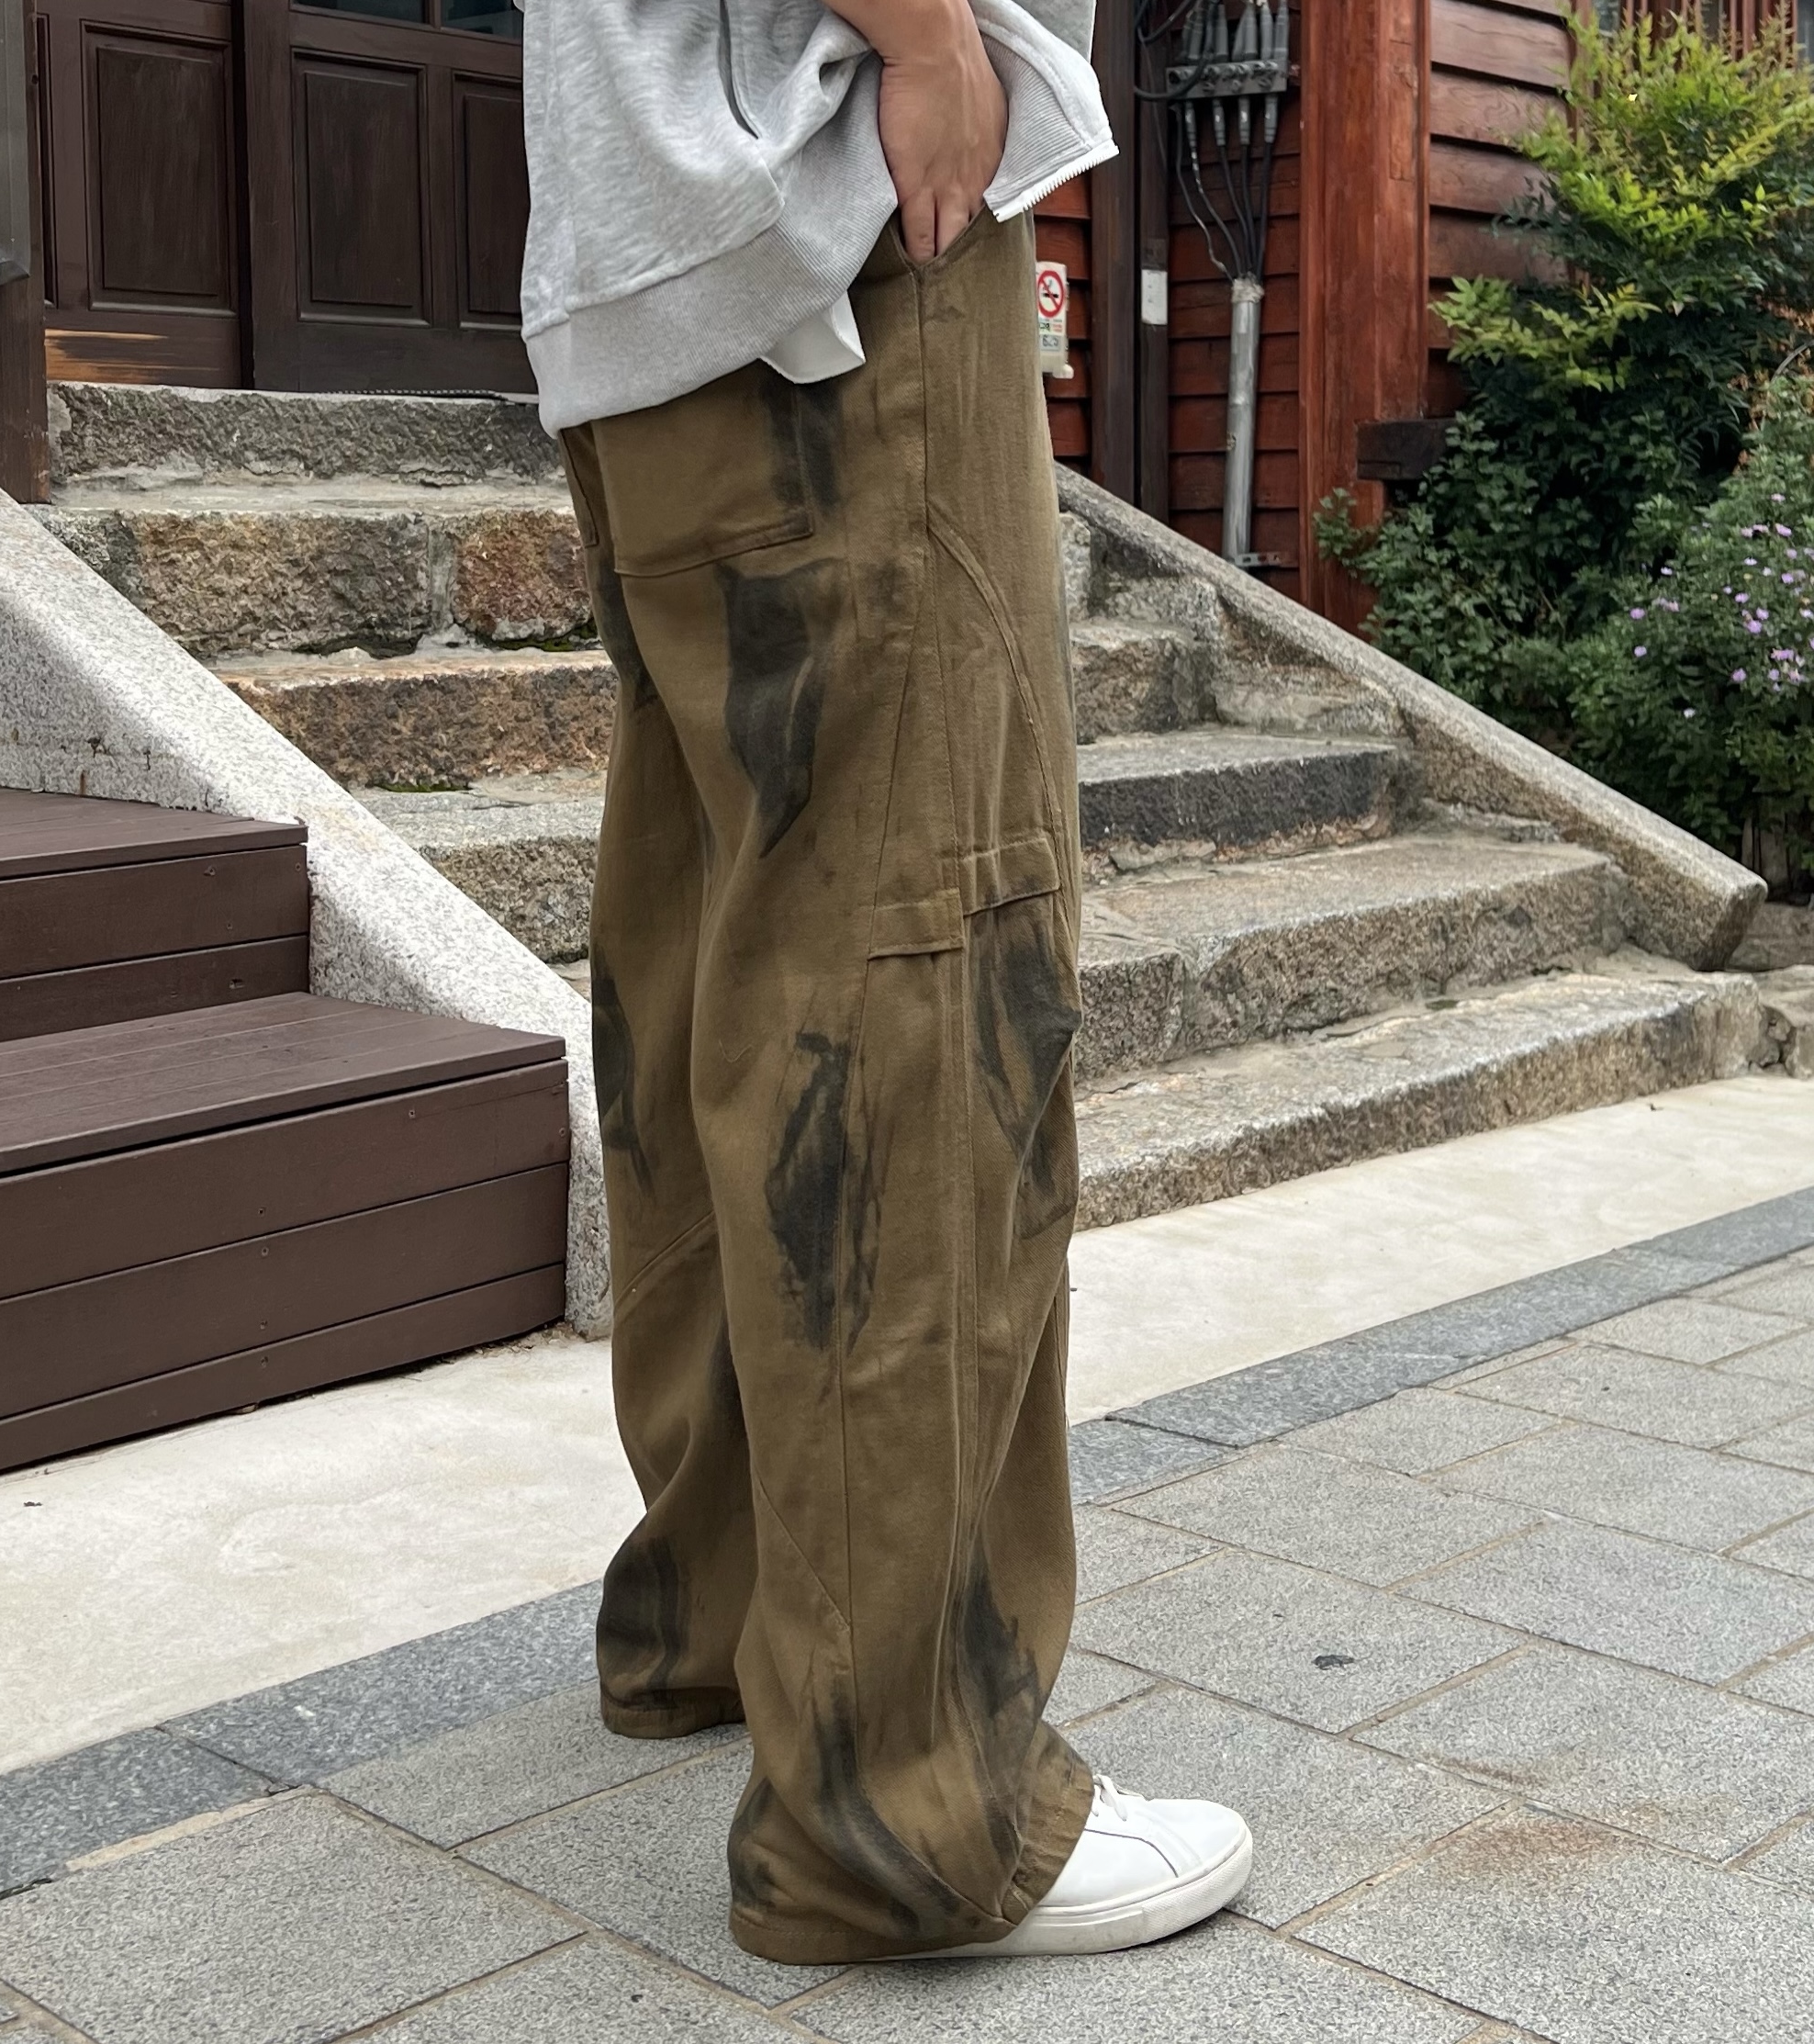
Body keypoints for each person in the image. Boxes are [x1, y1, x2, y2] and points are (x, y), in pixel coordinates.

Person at [516, 0, 1253, 1965]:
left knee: (716, 950)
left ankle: (712, 1614)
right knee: (917, 970)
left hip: (657, 241)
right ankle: (902, 1807)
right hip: (843, 211)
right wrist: (928, 36)